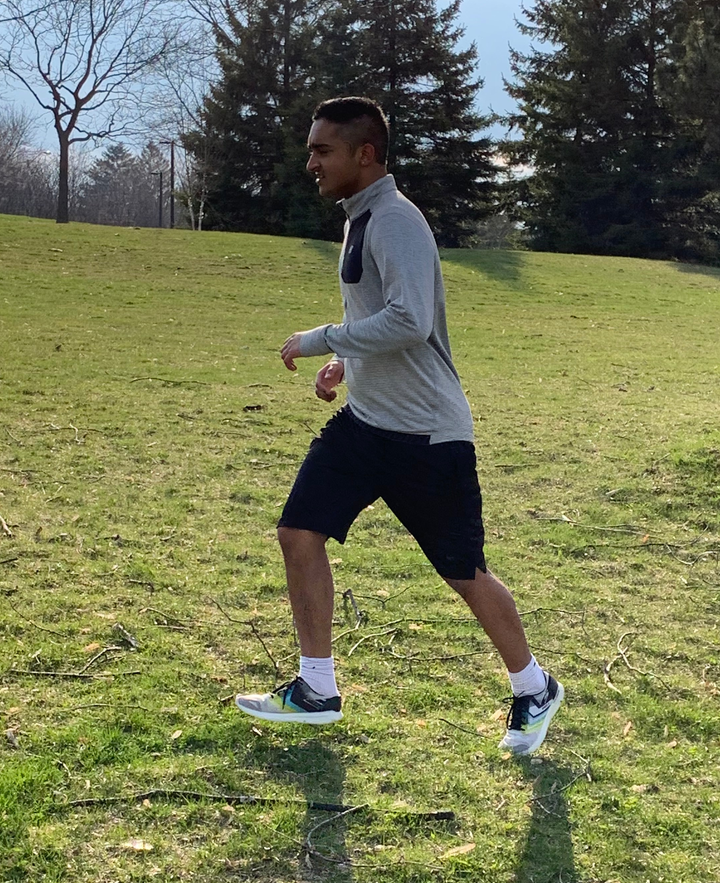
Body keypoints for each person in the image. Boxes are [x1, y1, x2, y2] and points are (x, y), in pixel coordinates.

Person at [235, 96, 563, 754]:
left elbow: (411, 319)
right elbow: (378, 314)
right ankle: (317, 690)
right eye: (310, 149)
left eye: (323, 150)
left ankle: (534, 686)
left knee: (463, 571)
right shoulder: (361, 219)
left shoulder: (395, 220)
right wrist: (346, 365)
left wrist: (322, 338)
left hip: (426, 437)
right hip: (366, 426)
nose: (311, 162)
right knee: (299, 532)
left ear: (365, 154)